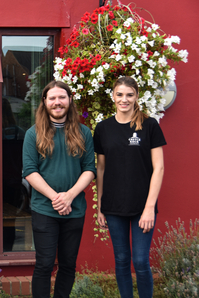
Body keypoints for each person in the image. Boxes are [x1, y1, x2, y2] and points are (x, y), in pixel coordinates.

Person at [94, 76, 166, 298]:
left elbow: (159, 168)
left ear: (136, 97)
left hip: (142, 207)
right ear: (113, 96)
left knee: (141, 261)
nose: (124, 99)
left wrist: (149, 208)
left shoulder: (149, 125)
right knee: (122, 260)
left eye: (129, 95)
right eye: (120, 94)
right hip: (114, 206)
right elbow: (101, 169)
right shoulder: (103, 128)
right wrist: (100, 207)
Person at [22, 81, 96, 298]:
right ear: (44, 102)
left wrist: (70, 196)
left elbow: (89, 169)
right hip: (44, 209)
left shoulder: (84, 133)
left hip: (75, 210)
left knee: (68, 265)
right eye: (52, 98)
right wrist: (56, 198)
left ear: (70, 100)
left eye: (61, 97)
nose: (57, 102)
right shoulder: (33, 134)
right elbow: (30, 171)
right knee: (44, 264)